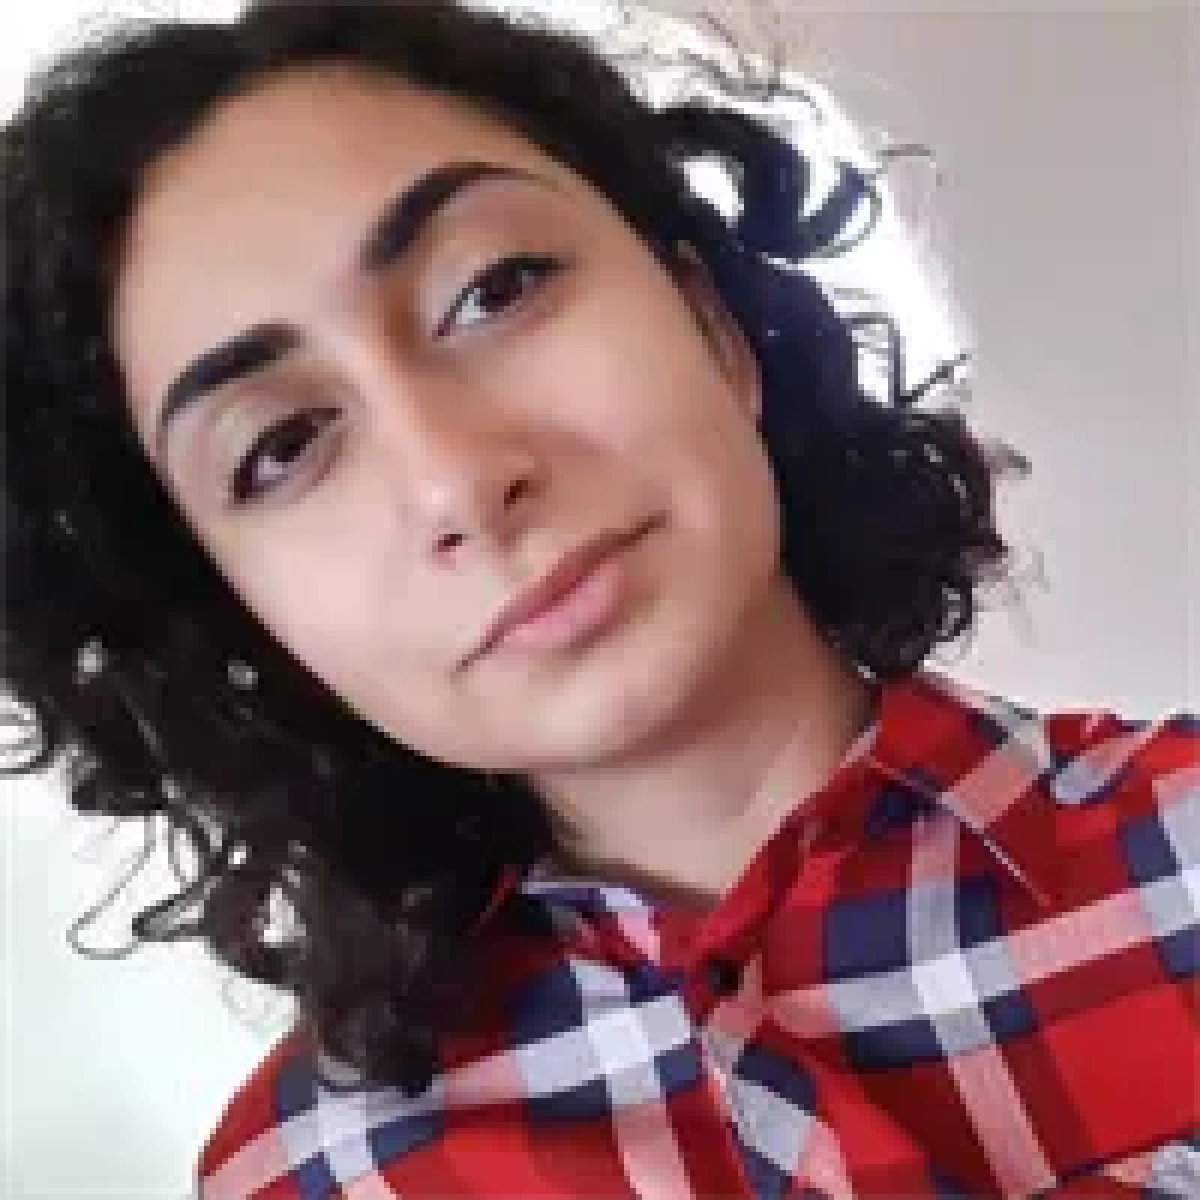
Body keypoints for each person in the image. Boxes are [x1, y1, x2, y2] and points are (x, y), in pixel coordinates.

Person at [2, 1, 1195, 1195]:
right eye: (281, 447)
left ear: (713, 326)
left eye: (495, 288)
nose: (458, 479)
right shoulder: (320, 1179)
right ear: (247, 622)